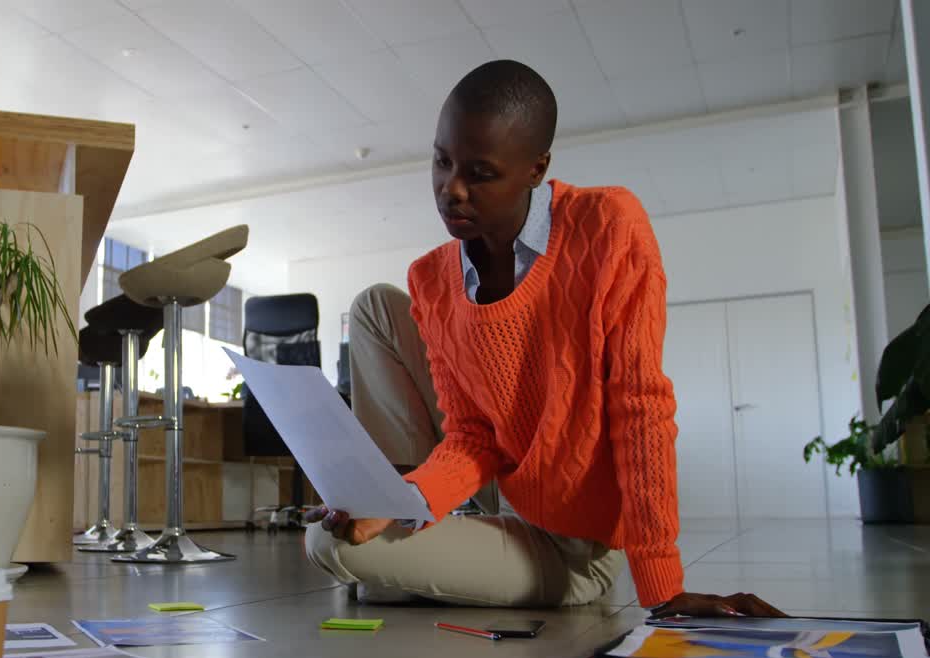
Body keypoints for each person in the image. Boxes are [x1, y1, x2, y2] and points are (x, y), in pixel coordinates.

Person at [304, 59, 784, 618]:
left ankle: (404, 556)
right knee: (375, 306)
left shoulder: (609, 227)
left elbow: (641, 406)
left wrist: (662, 585)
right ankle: (392, 507)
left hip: (569, 548)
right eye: (441, 161)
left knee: (329, 550)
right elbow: (472, 436)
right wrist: (399, 502)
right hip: (496, 479)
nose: (451, 189)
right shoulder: (432, 278)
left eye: (480, 173)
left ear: (537, 168)